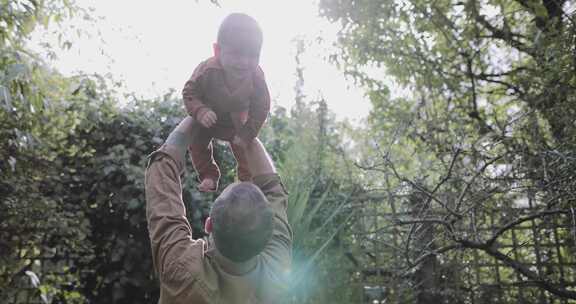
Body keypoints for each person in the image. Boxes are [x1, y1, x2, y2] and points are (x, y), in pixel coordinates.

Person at [145, 116, 292, 303]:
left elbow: (161, 175)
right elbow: (273, 189)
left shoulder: (182, 269)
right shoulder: (276, 275)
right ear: (270, 233)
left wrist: (195, 115)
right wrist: (246, 131)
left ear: (209, 225)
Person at [182, 13, 271, 192]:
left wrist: (248, 132)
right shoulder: (207, 70)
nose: (244, 63)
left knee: (245, 149)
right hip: (208, 116)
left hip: (237, 120)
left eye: (253, 55)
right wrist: (200, 111)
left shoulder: (257, 77)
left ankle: (246, 182)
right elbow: (189, 92)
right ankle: (209, 175)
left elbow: (261, 106)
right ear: (218, 51)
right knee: (197, 143)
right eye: (236, 54)